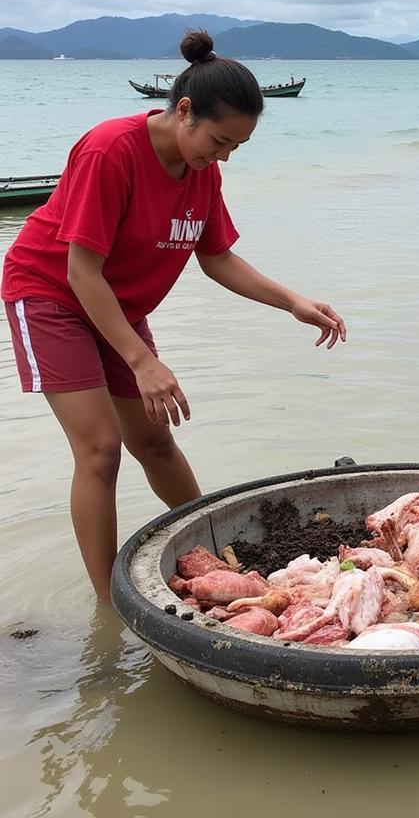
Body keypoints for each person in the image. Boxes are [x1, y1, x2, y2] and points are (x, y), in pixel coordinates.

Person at [2, 31, 345, 601]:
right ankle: (109, 605)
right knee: (100, 449)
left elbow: (216, 257)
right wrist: (141, 360)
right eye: (219, 139)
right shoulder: (110, 150)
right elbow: (81, 272)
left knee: (155, 441)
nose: (225, 155)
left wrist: (293, 302)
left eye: (238, 145)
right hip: (50, 295)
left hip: (119, 306)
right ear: (183, 111)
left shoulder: (203, 171)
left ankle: (215, 554)